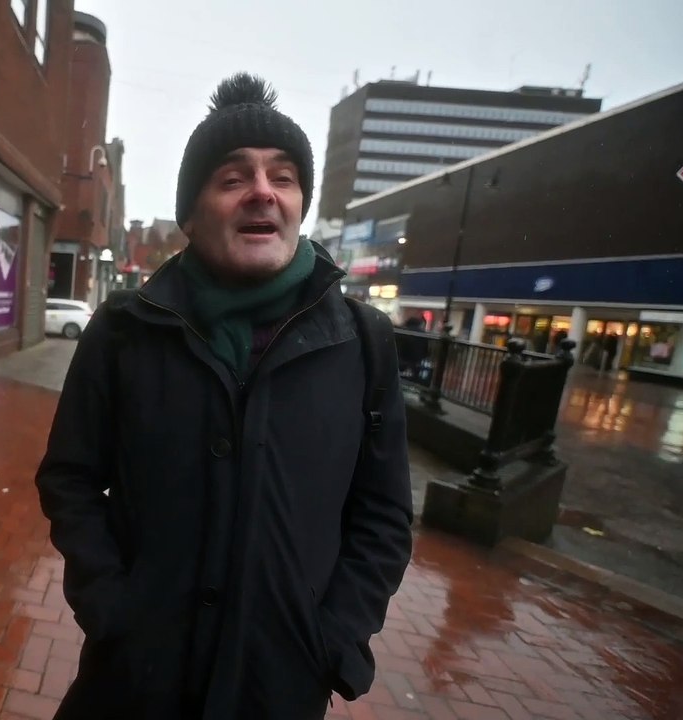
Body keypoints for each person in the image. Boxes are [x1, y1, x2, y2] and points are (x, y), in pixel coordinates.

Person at [35, 73, 413, 720]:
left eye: (284, 177)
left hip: (279, 687)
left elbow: (383, 517)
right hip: (131, 684)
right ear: (191, 213)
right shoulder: (126, 329)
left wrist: (333, 640)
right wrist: (111, 609)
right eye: (233, 178)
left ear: (299, 205)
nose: (262, 191)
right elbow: (69, 479)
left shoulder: (362, 340)